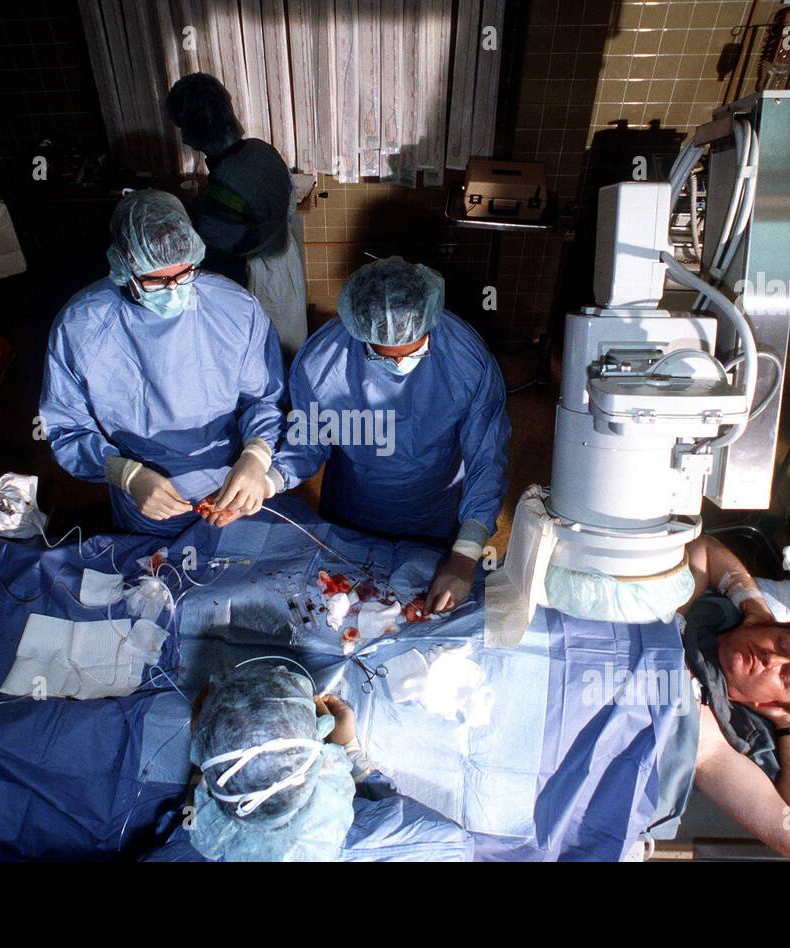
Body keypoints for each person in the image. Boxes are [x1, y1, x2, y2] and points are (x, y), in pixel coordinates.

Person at [39, 189, 286, 536]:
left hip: (230, 478)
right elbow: (67, 429)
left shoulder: (234, 308)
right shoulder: (82, 326)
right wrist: (125, 474)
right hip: (145, 492)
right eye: (156, 280)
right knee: (156, 579)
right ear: (123, 266)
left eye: (185, 274)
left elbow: (263, 398)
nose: (174, 290)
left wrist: (257, 455)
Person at [273, 257, 511, 614]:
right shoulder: (322, 361)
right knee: (346, 605)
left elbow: (486, 455)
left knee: (424, 604)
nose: (400, 365)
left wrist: (466, 551)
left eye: (414, 351)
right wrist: (268, 478)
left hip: (434, 506)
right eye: (383, 356)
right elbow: (307, 441)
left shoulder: (466, 358)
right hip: (354, 504)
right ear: (358, 332)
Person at [643, 533, 790, 861]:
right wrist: (753, 604)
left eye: (784, 676)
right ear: (769, 624)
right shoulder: (677, 614)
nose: (772, 659)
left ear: (766, 705)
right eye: (781, 644)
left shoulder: (709, 743)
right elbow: (705, 548)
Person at [145, 660, 473, 862]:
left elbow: (190, 825)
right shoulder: (435, 847)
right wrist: (351, 755)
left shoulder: (185, 850)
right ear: (324, 760)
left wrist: (204, 774)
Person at [166, 73, 307, 356]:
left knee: (264, 351)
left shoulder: (227, 179)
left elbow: (211, 244)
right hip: (285, 260)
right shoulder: (261, 150)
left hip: (257, 277)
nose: (182, 136)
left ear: (196, 129)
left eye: (183, 127)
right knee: (289, 343)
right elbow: (288, 204)